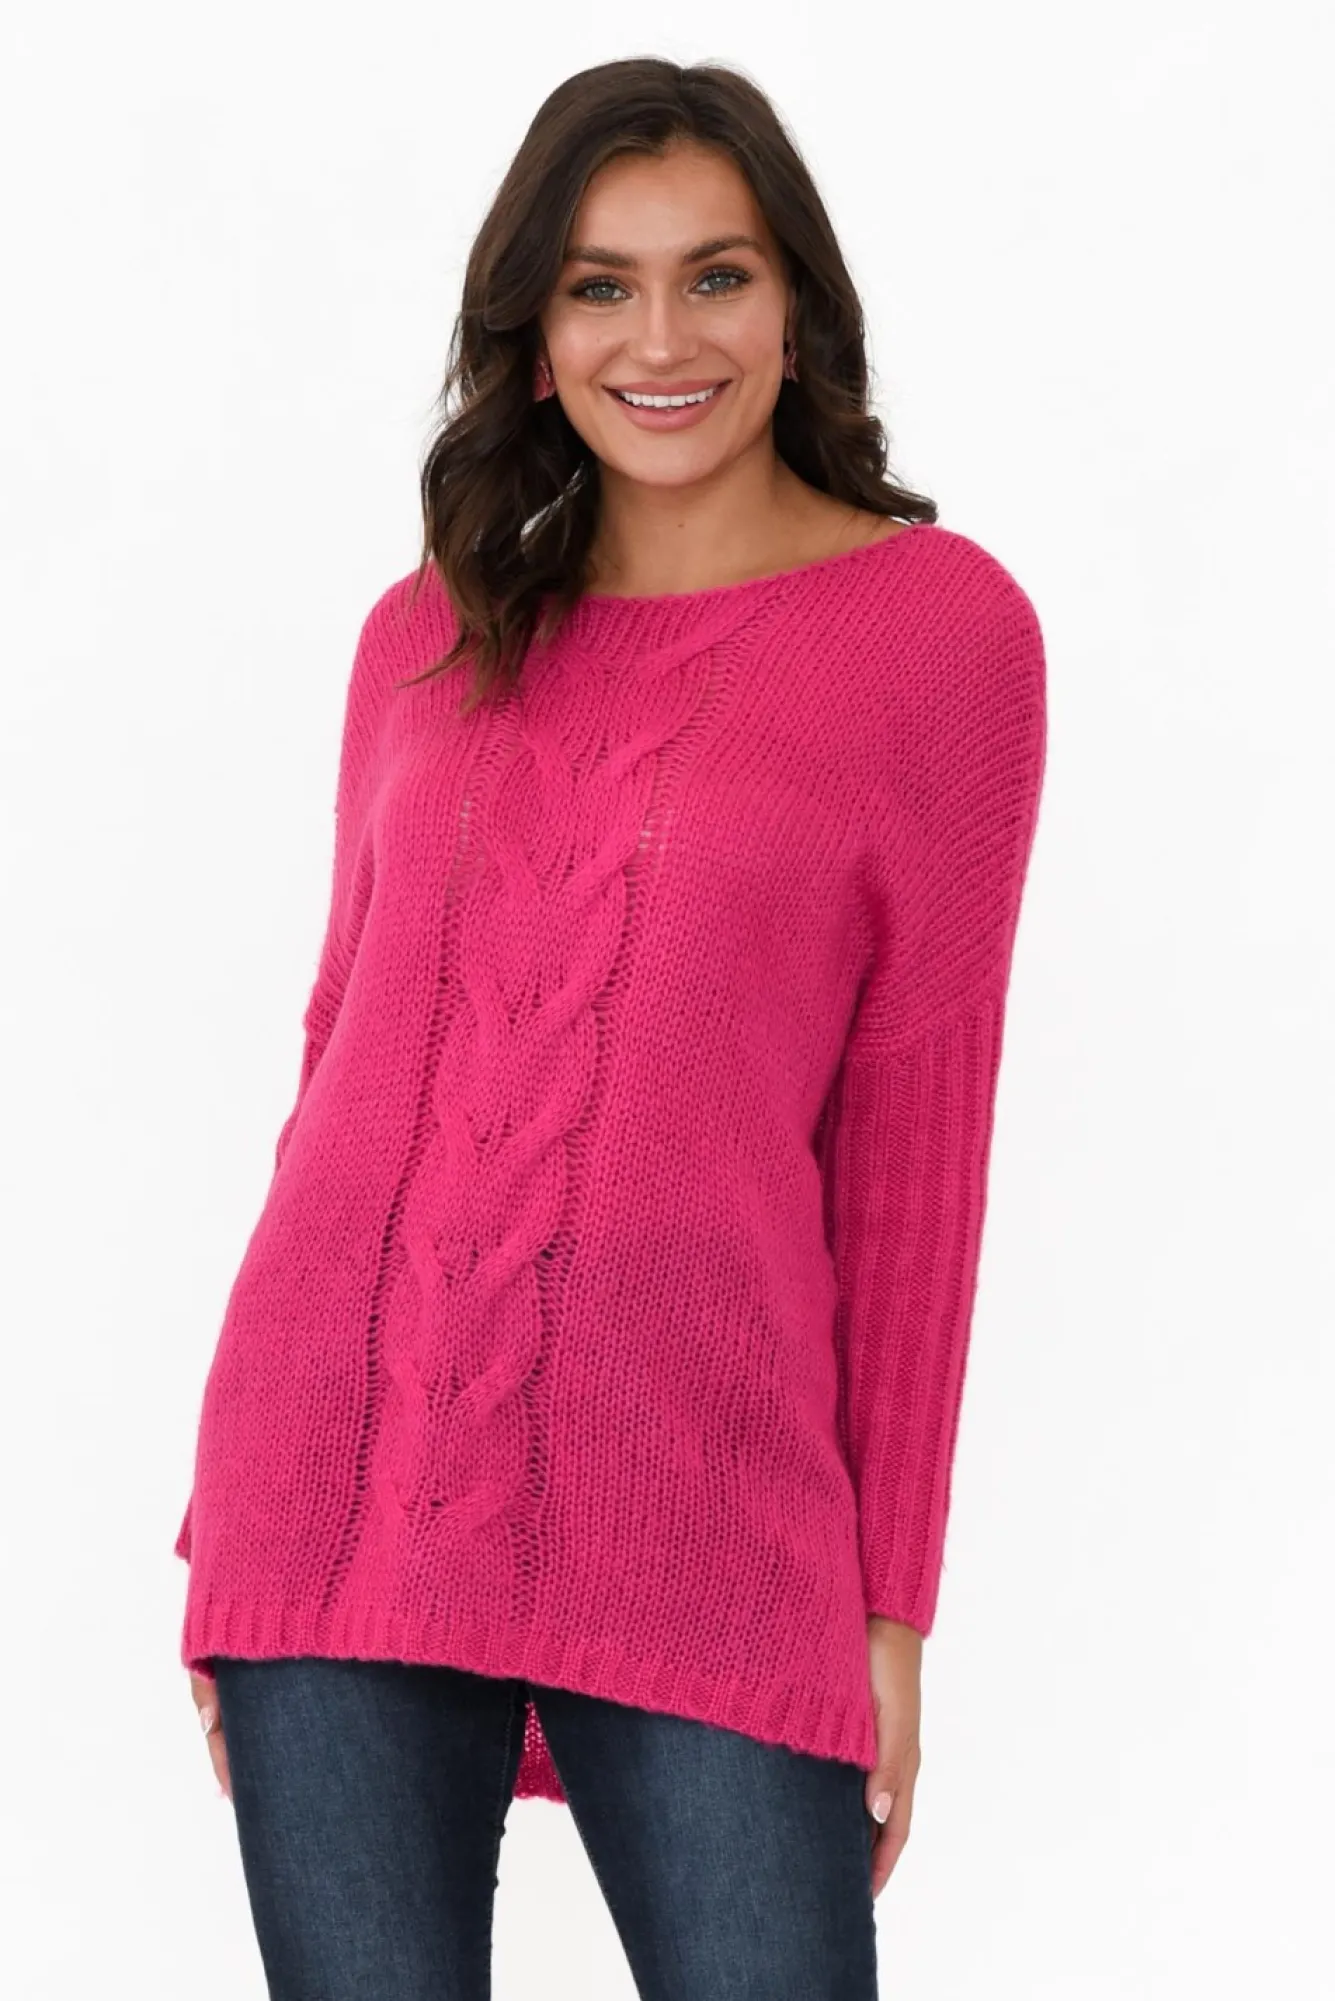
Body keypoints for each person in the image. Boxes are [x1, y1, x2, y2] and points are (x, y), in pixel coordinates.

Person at [172, 54, 1047, 2001]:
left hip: (710, 1504)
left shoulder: (939, 634)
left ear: (797, 305)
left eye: (715, 276)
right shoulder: (424, 628)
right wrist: (234, 1533)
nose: (662, 339)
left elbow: (916, 1146)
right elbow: (341, 1059)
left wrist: (888, 1609)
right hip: (335, 1482)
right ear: (535, 331)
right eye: (600, 286)